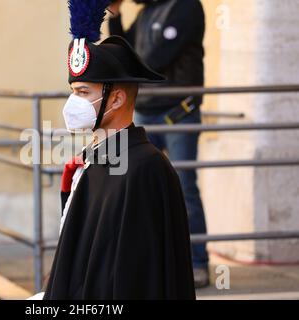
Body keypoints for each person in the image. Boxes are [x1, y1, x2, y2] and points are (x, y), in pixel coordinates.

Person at [43, 0, 195, 300]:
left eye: (84, 92)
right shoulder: (97, 159)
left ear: (116, 100)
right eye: (73, 92)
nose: (73, 103)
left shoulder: (144, 168)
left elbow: (138, 277)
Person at [108, 0, 209, 287]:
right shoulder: (146, 12)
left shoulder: (186, 6)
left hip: (179, 114)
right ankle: (139, 263)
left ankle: (197, 263)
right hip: (143, 113)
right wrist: (114, 13)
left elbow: (151, 61)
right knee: (132, 187)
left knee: (184, 185)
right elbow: (122, 53)